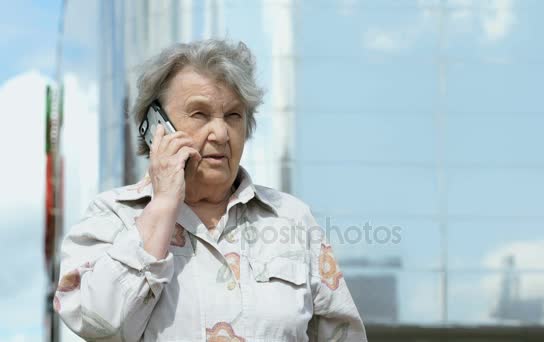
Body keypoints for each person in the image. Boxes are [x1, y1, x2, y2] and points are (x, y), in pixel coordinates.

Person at [54, 39, 367, 341]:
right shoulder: (112, 215)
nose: (220, 133)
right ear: (156, 125)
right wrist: (163, 205)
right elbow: (97, 322)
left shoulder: (293, 218)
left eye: (233, 116)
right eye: (199, 114)